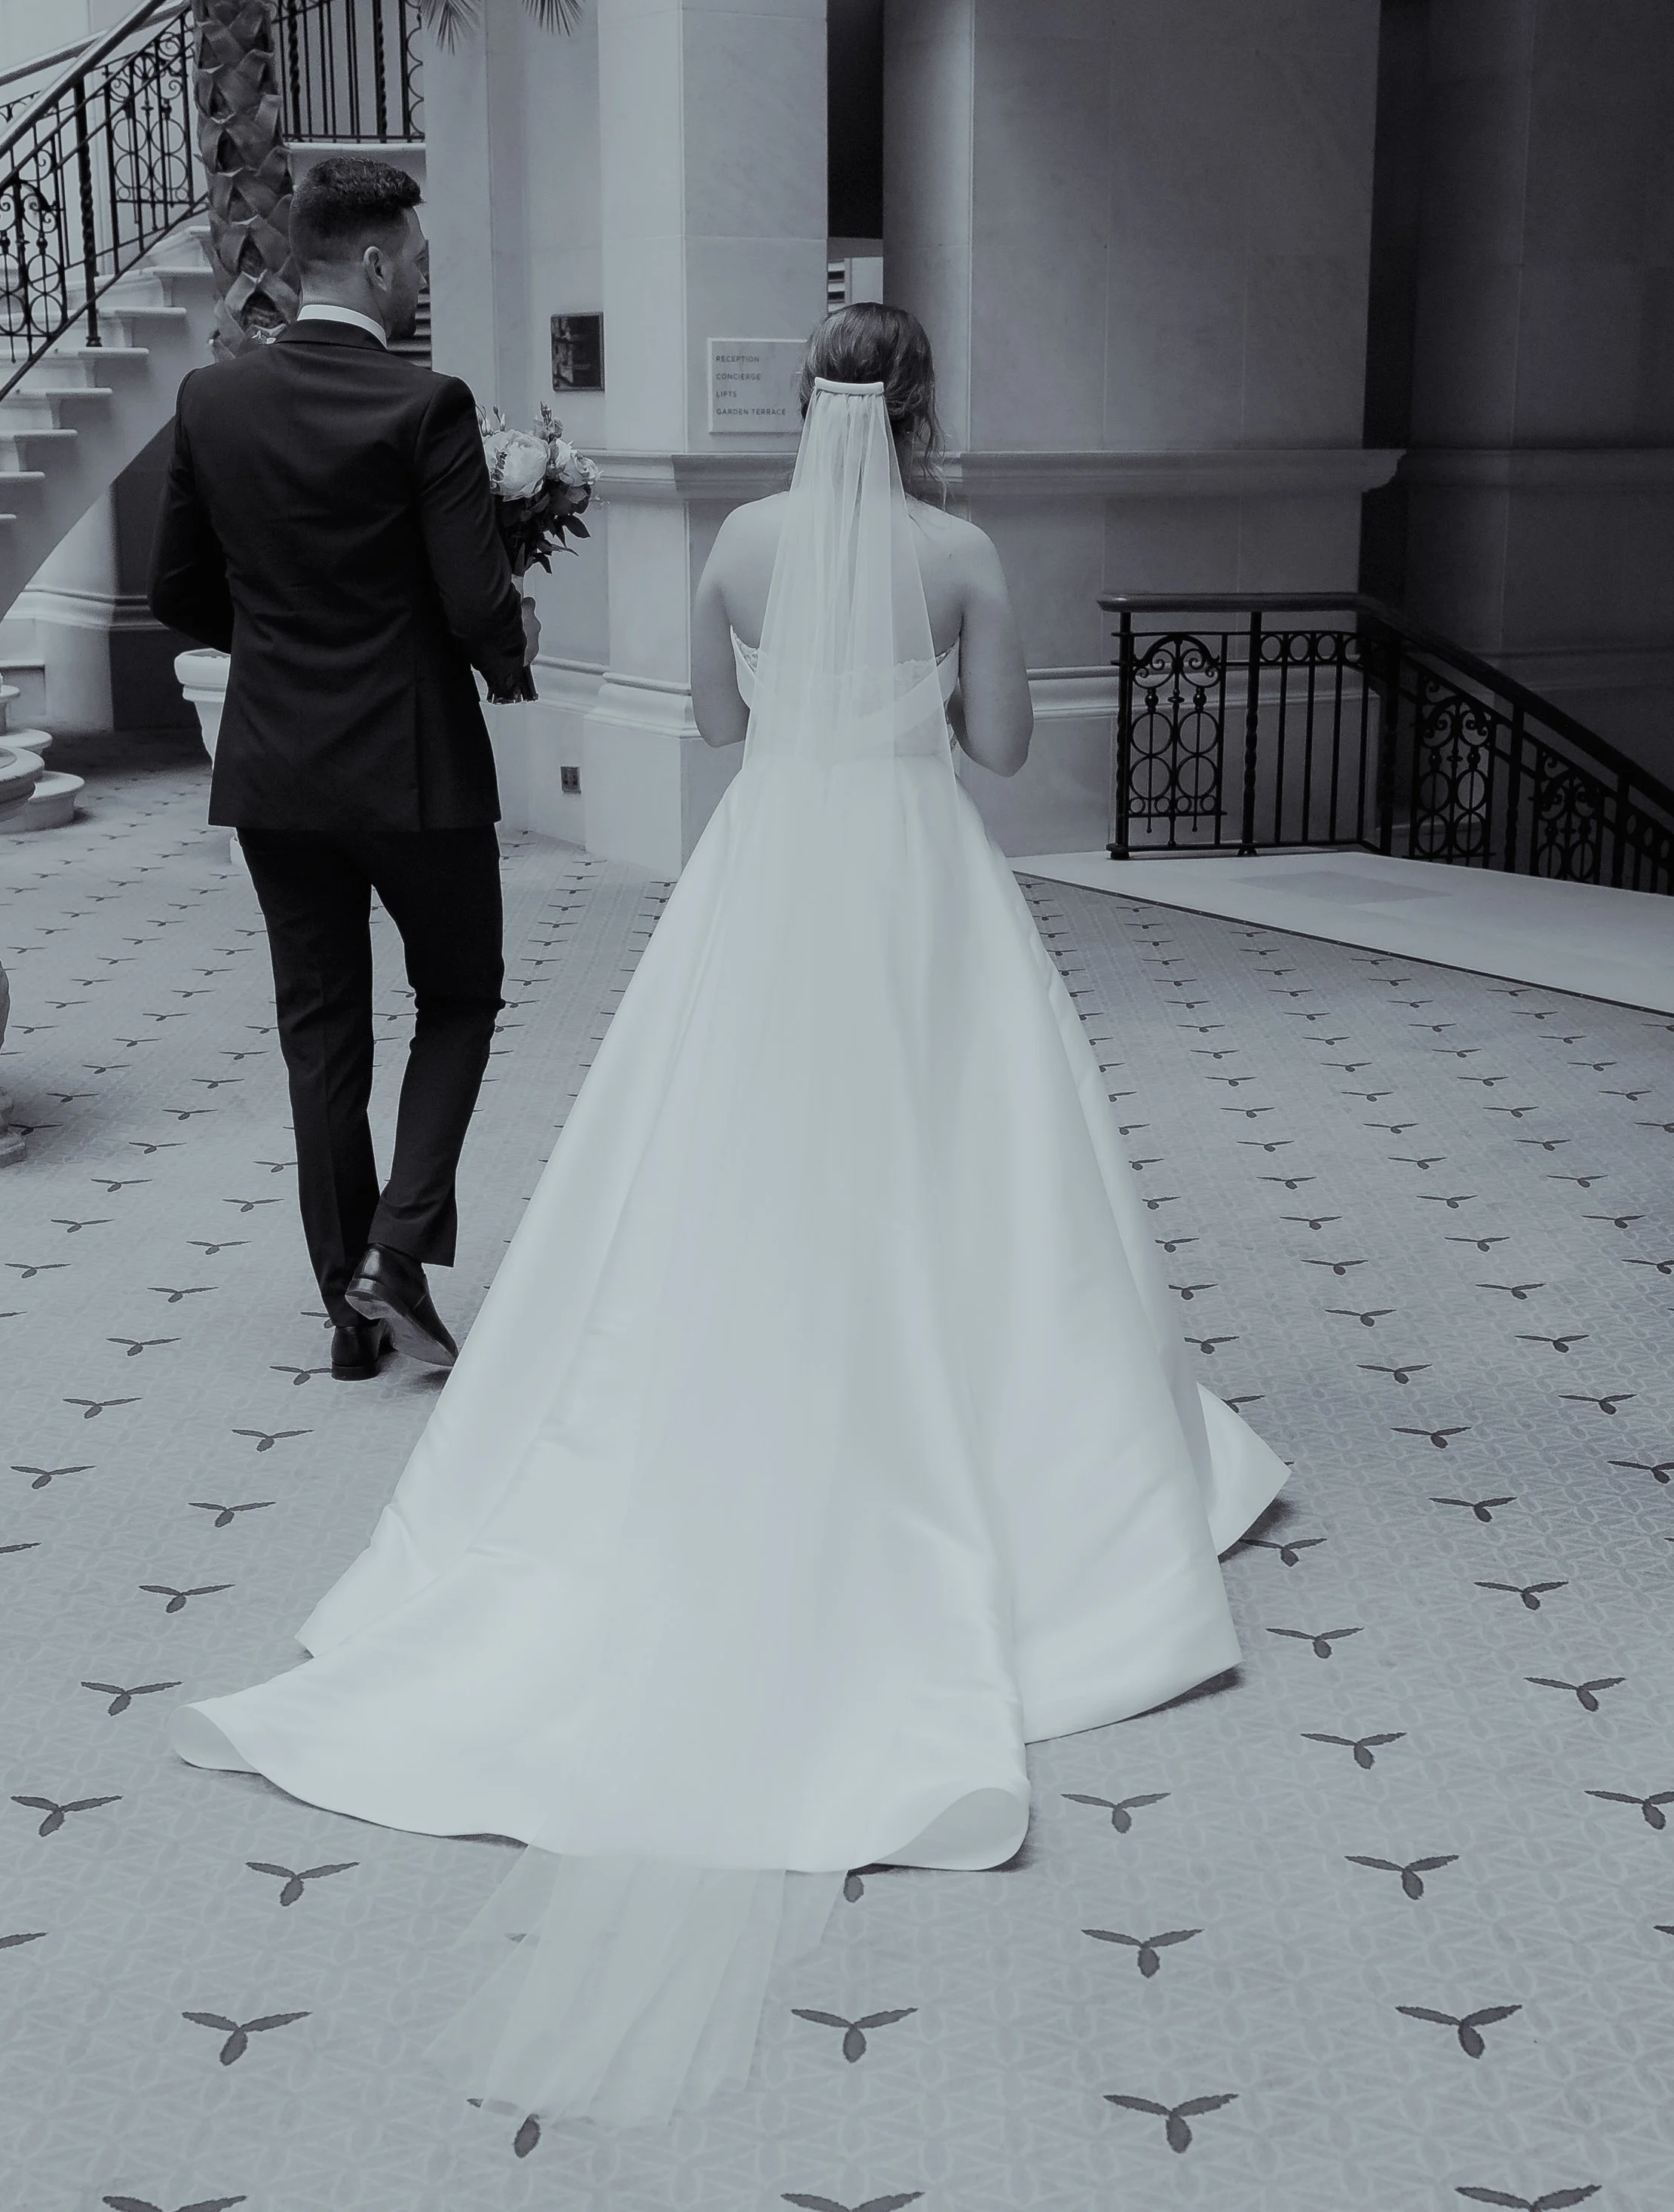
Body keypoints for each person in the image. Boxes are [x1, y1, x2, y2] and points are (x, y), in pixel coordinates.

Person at [168, 304, 1292, 2135]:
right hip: (914, 876)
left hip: (766, 874)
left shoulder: (744, 547)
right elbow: (1002, 753)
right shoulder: (958, 552)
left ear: (805, 408)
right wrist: (936, 677)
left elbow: (710, 722)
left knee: (704, 1153)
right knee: (969, 1159)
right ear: (923, 408)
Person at [148, 156, 539, 1382]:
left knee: (321, 1031)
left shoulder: (212, 402)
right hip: (411, 763)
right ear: (372, 263)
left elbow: (176, 593)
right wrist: (510, 640)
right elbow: (475, 603)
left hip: (274, 765)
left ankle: (350, 1310)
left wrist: (279, 643)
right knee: (460, 998)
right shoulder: (427, 404)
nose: (421, 277)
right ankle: (398, 1251)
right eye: (416, 258)